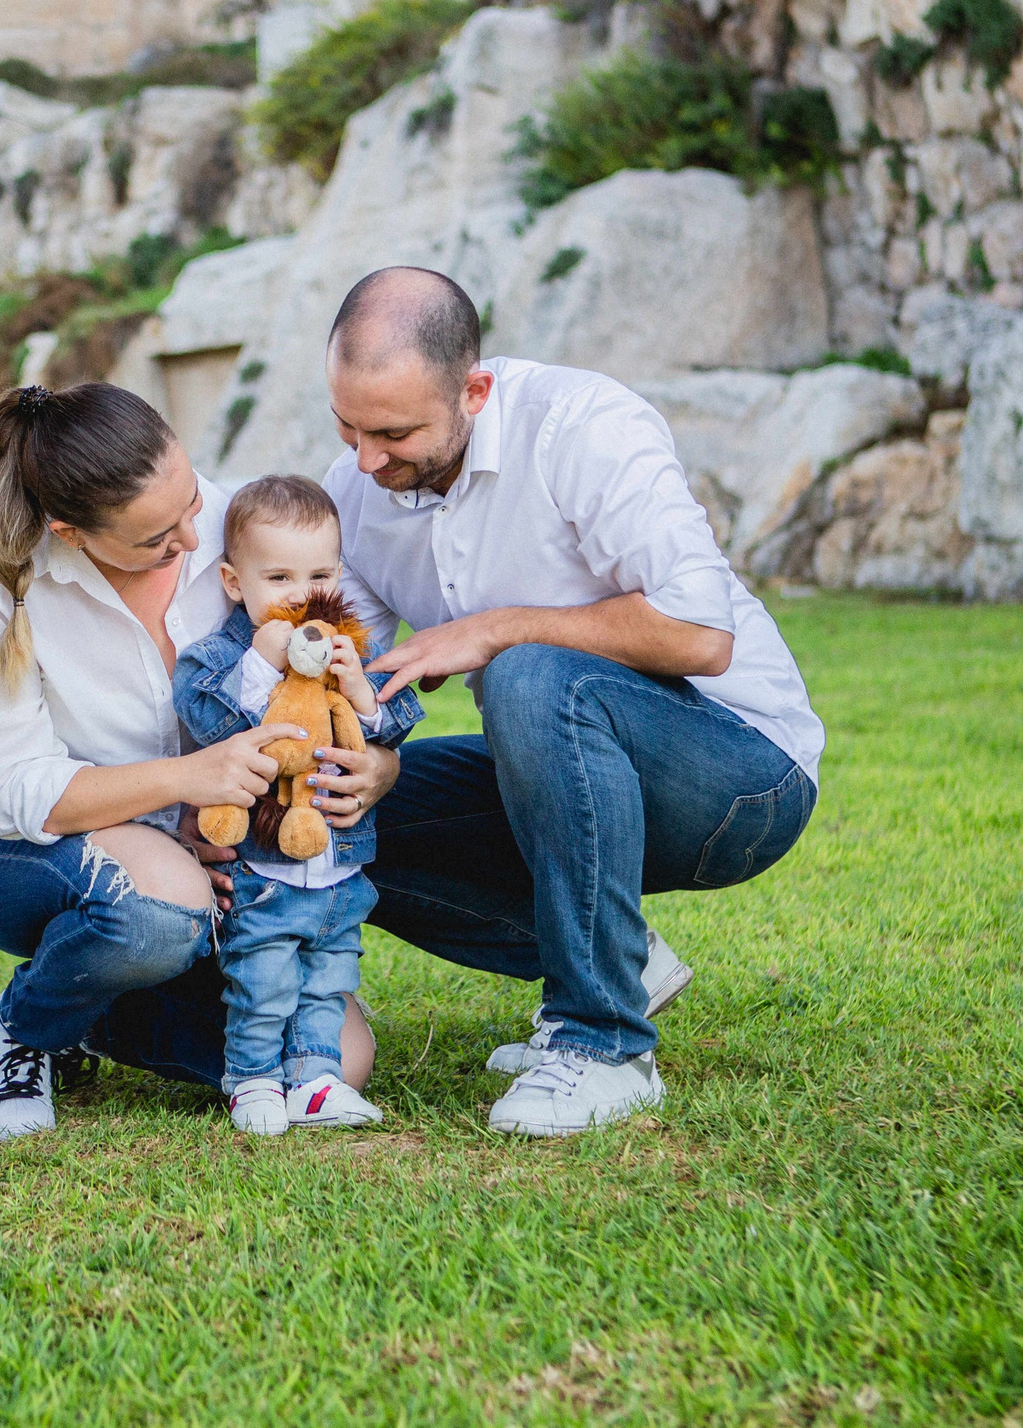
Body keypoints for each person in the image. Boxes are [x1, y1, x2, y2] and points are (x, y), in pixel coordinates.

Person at [296, 266, 822, 1137]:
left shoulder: (584, 427)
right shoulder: (357, 487)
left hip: (743, 776)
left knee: (527, 670)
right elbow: (341, 673)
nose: (366, 460)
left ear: (473, 391)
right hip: (562, 775)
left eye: (393, 432)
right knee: (334, 808)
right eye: (347, 426)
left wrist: (492, 629)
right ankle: (619, 961)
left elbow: (702, 634)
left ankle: (604, 1042)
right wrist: (368, 755)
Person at [0, 382, 375, 1139]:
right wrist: (183, 787)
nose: (193, 540)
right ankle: (27, 1026)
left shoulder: (245, 530)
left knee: (340, 1060)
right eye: (158, 536)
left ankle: (93, 1016)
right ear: (71, 533)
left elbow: (328, 671)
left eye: (191, 500)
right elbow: (8, 789)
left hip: (198, 851)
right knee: (163, 907)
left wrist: (373, 764)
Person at [170, 475, 426, 1135]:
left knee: (327, 980)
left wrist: (360, 690)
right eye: (278, 577)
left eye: (318, 575)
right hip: (263, 870)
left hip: (341, 868)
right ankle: (251, 1079)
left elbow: (396, 721)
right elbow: (209, 723)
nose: (300, 594)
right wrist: (260, 666)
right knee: (262, 980)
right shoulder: (222, 657)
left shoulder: (349, 649)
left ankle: (316, 1082)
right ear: (235, 583)